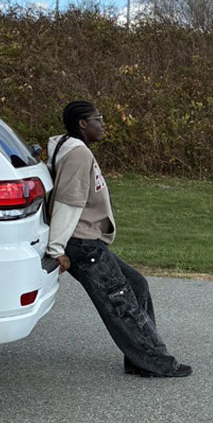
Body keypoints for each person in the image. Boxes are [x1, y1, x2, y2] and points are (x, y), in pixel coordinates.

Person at [45, 101, 192, 378]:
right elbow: (68, 202)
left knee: (136, 285)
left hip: (88, 241)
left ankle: (138, 360)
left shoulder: (72, 147)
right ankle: (156, 363)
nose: (103, 124)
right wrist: (57, 248)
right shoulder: (78, 154)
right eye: (98, 119)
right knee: (120, 301)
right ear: (82, 124)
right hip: (82, 243)